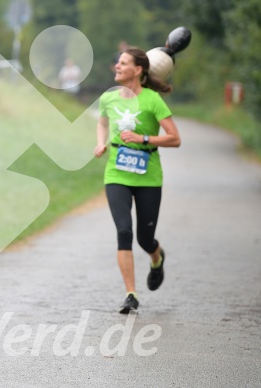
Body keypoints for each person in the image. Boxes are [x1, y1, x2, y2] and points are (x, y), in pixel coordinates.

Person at [93, 47, 181, 314]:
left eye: (123, 63)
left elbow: (175, 138)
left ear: (138, 70)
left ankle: (157, 257)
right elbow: (102, 123)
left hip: (148, 176)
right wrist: (101, 143)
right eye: (117, 62)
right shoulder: (108, 98)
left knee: (144, 238)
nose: (117, 67)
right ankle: (130, 293)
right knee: (123, 231)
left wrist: (144, 139)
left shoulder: (153, 100)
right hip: (117, 174)